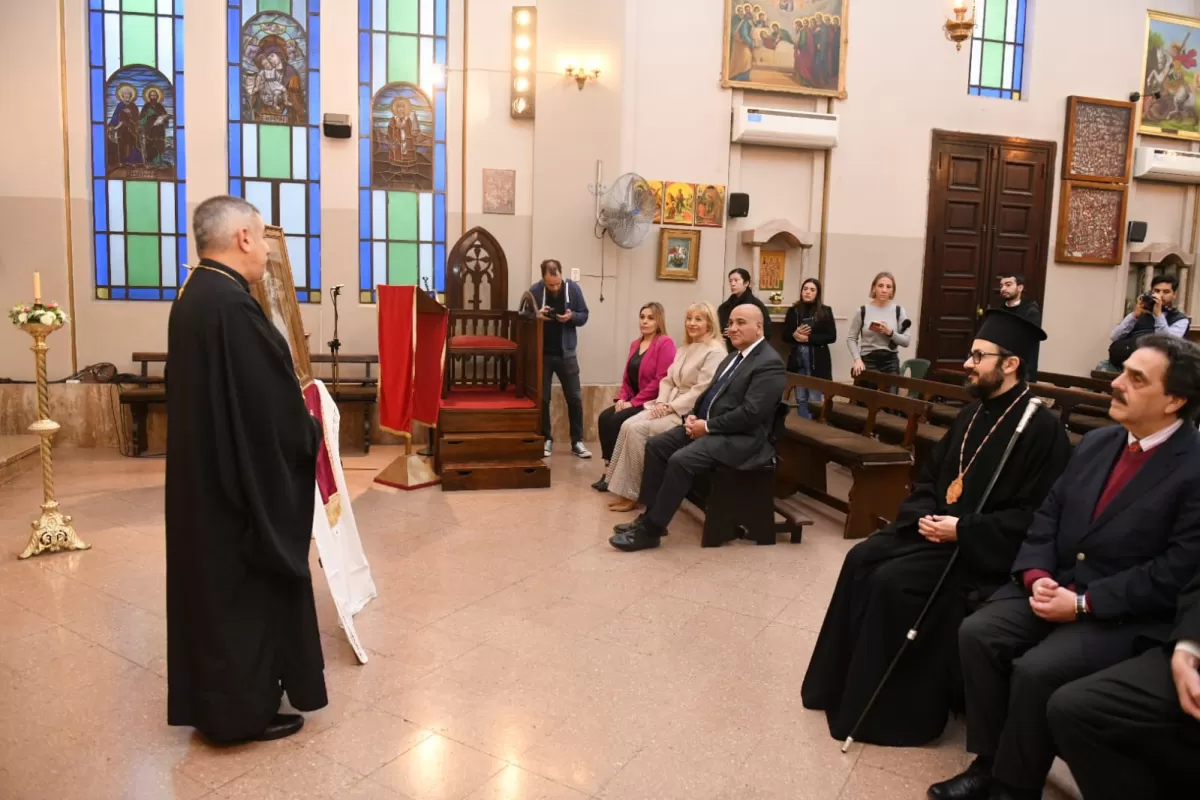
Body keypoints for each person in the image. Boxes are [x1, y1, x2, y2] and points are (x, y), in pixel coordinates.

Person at [931, 334, 1200, 800]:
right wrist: (1036, 575)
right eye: (1122, 372)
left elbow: (1175, 571)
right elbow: (1048, 514)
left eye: (1136, 379)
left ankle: (1013, 787)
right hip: (1056, 580)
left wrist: (1081, 603)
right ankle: (990, 761)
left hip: (1123, 609)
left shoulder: (1192, 466)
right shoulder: (1099, 442)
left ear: (1175, 399)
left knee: (1038, 670)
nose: (1116, 384)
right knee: (980, 633)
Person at [801, 310, 1071, 747]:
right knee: (859, 558)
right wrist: (926, 516)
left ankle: (890, 716)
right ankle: (836, 688)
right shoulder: (971, 416)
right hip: (936, 534)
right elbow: (930, 479)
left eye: (978, 356)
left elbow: (1036, 516)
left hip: (982, 551)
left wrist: (963, 530)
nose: (967, 364)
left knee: (893, 583)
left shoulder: (1040, 430)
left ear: (1010, 364)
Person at [166, 195, 327, 744]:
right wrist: (309, 431)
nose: (264, 250)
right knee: (242, 595)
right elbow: (268, 409)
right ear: (242, 239)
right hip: (236, 492)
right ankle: (241, 711)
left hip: (205, 482)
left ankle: (218, 701)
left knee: (215, 596)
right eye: (261, 238)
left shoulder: (194, 296)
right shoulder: (233, 306)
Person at [608, 304, 786, 552]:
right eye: (731, 323)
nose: (733, 328)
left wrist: (709, 426)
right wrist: (692, 416)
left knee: (680, 460)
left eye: (741, 323)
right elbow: (707, 395)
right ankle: (651, 516)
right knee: (657, 445)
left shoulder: (769, 363)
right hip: (713, 427)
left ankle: (652, 531)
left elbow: (751, 414)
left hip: (742, 439)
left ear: (759, 327)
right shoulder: (733, 357)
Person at [1046, 567, 1200, 799]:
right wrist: (1188, 648)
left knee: (1038, 666)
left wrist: (1083, 602)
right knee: (1074, 707)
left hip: (1135, 611)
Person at [602, 302, 727, 513]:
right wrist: (661, 402)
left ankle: (634, 495)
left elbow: (701, 390)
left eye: (698, 319)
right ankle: (622, 489)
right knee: (626, 424)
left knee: (636, 430)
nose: (692, 323)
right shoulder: (685, 348)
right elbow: (668, 380)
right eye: (689, 318)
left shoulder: (714, 352)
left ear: (710, 323)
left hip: (686, 412)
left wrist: (670, 407)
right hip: (666, 403)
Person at [593, 302, 676, 486]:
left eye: (650, 318)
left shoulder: (665, 343)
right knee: (605, 418)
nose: (644, 321)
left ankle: (617, 475)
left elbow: (661, 379)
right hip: (632, 398)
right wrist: (622, 398)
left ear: (658, 321)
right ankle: (608, 470)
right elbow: (627, 376)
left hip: (652, 401)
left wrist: (634, 402)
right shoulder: (635, 344)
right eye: (642, 317)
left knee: (616, 420)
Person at [531, 259, 591, 458]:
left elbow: (584, 315)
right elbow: (522, 315)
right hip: (543, 354)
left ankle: (577, 442)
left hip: (567, 354)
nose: (555, 287)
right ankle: (546, 438)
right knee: (543, 398)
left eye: (557, 283)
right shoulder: (535, 291)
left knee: (574, 398)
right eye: (550, 285)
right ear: (543, 280)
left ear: (561, 276)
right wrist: (536, 316)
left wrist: (571, 316)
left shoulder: (573, 289)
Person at [1106, 274, 1191, 371]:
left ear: (1174, 295)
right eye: (1157, 291)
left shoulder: (1180, 319)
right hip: (1125, 363)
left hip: (1158, 369)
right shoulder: (1141, 313)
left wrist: (1158, 315)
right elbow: (1115, 336)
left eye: (1166, 292)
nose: (1160, 295)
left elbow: (1166, 345)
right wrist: (1134, 315)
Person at [782, 277, 836, 418]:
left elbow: (831, 336)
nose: (808, 292)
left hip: (816, 360)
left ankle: (814, 426)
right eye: (805, 289)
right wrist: (795, 334)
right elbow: (785, 335)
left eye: (812, 290)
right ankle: (802, 422)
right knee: (800, 396)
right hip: (798, 358)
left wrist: (809, 338)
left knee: (814, 396)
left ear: (817, 293)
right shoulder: (793, 311)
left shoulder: (825, 311)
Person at [847, 271, 911, 383]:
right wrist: (857, 359)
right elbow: (851, 338)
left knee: (890, 399)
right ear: (874, 288)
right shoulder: (862, 311)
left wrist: (889, 332)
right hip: (868, 359)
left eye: (888, 287)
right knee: (866, 398)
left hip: (890, 361)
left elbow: (906, 341)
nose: (884, 290)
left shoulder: (899, 311)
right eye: (880, 285)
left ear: (892, 291)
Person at [996, 273, 1041, 379]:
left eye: (1008, 285)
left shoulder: (1030, 311)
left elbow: (1030, 338)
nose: (1003, 289)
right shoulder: (999, 311)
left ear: (1020, 287)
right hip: (1001, 362)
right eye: (1001, 286)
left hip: (1023, 363)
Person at [717, 268, 771, 351]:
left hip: (749, 349)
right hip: (728, 348)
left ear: (746, 283)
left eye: (736, 280)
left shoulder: (756, 305)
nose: (732, 284)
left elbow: (766, 332)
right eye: (730, 281)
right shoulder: (724, 307)